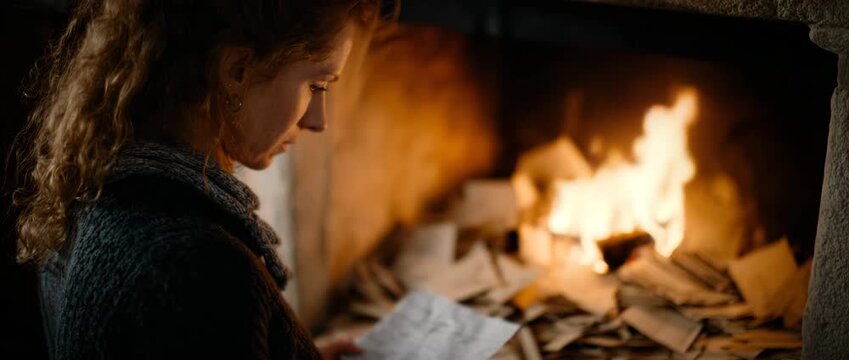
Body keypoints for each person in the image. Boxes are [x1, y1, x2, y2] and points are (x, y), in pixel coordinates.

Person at [14, 0, 390, 358]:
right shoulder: (197, 267)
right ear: (237, 71)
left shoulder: (91, 188)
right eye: (317, 85)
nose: (317, 121)